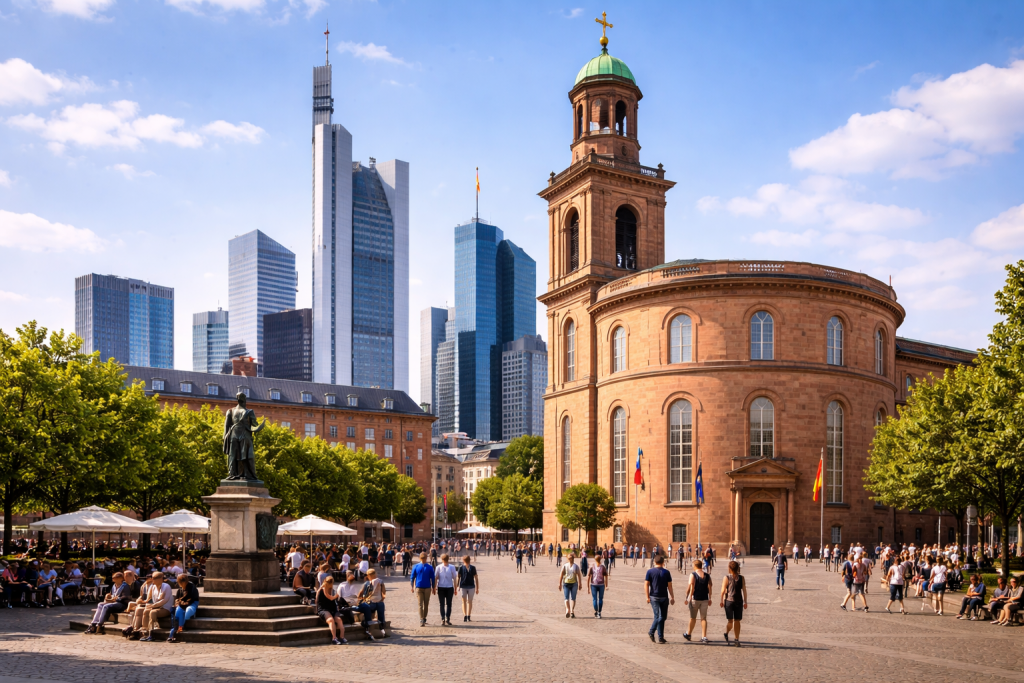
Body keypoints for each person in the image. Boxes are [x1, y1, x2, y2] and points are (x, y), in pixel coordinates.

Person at [132, 571, 173, 641]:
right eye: (152, 578)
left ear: (160, 579)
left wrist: (152, 606)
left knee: (151, 612)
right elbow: (148, 599)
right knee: (140, 609)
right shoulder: (153, 587)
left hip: (165, 608)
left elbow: (164, 600)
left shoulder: (166, 586)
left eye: (154, 578)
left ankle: (151, 633)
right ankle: (139, 631)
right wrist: (142, 602)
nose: (152, 579)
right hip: (156, 607)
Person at [644, 555, 674, 644]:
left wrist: (647, 596)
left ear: (654, 562)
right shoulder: (666, 572)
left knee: (660, 617)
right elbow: (670, 586)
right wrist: (672, 596)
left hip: (654, 596)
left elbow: (646, 584)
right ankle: (652, 631)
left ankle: (660, 637)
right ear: (663, 562)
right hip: (663, 597)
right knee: (661, 617)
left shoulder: (650, 571)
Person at [683, 559, 712, 644]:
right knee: (703, 619)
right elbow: (710, 586)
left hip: (695, 599)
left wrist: (688, 597)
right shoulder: (707, 575)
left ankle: (688, 634)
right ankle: (704, 636)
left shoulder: (693, 575)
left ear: (695, 566)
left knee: (693, 618)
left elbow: (691, 587)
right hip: (705, 599)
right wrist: (710, 598)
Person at [719, 560, 747, 647]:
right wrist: (722, 600)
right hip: (729, 601)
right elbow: (723, 590)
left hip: (737, 601)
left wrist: (745, 601)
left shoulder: (741, 578)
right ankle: (727, 632)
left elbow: (744, 590)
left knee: (737, 621)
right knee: (731, 621)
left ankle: (736, 639)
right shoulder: (727, 577)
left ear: (730, 568)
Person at [315, 575, 348, 645]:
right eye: (330, 584)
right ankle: (334, 638)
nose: (331, 585)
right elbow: (330, 598)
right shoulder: (322, 589)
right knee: (331, 620)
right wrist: (336, 596)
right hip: (323, 608)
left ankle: (342, 637)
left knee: (339, 619)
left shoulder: (333, 590)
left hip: (332, 608)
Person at [354, 568, 385, 641]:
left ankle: (368, 630)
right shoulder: (380, 582)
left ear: (368, 575)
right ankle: (382, 630)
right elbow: (383, 593)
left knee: (367, 611)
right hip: (379, 603)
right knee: (381, 614)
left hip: (370, 603)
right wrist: (381, 600)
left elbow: (360, 593)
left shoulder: (367, 583)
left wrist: (359, 599)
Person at [167, 574, 199, 642]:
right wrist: (178, 602)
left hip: (192, 603)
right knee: (178, 611)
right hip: (182, 604)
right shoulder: (180, 589)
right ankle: (180, 627)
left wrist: (183, 603)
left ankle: (184, 624)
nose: (182, 584)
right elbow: (177, 598)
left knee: (188, 611)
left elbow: (192, 599)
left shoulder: (192, 587)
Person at [410, 552, 435, 627]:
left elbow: (433, 578)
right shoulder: (417, 566)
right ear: (421, 558)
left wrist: (433, 587)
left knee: (425, 603)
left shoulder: (429, 567)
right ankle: (422, 618)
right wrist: (412, 587)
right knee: (421, 604)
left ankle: (424, 617)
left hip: (426, 587)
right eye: (423, 558)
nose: (424, 560)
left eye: (424, 558)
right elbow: (412, 577)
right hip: (420, 587)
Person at [434, 554, 458, 626]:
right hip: (449, 587)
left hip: (441, 587)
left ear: (442, 559)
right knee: (449, 604)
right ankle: (447, 618)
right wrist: (455, 588)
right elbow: (455, 578)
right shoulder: (452, 567)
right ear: (448, 559)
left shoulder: (438, 567)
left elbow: (435, 578)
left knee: (442, 604)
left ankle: (443, 618)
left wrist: (435, 587)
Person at [558, 553, 583, 618]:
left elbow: (579, 575)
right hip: (566, 583)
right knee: (566, 598)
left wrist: (580, 583)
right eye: (569, 558)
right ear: (568, 559)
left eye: (571, 558)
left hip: (574, 583)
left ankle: (572, 610)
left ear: (573, 559)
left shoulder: (576, 566)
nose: (570, 559)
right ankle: (567, 610)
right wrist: (559, 584)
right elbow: (561, 574)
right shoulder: (565, 566)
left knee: (573, 598)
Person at [456, 555, 479, 623]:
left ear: (463, 560)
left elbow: (458, 577)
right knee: (469, 601)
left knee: (465, 601)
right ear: (470, 560)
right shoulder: (461, 567)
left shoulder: (472, 568)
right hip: (469, 586)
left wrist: (457, 586)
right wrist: (477, 588)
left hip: (466, 586)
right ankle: (467, 615)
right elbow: (476, 578)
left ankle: (466, 615)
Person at [586, 554, 609, 619]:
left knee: (595, 599)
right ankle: (599, 612)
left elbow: (589, 577)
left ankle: (596, 611)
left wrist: (588, 587)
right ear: (601, 559)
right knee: (600, 599)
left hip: (593, 584)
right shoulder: (603, 567)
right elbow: (606, 576)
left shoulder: (592, 567)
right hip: (601, 584)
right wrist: (606, 585)